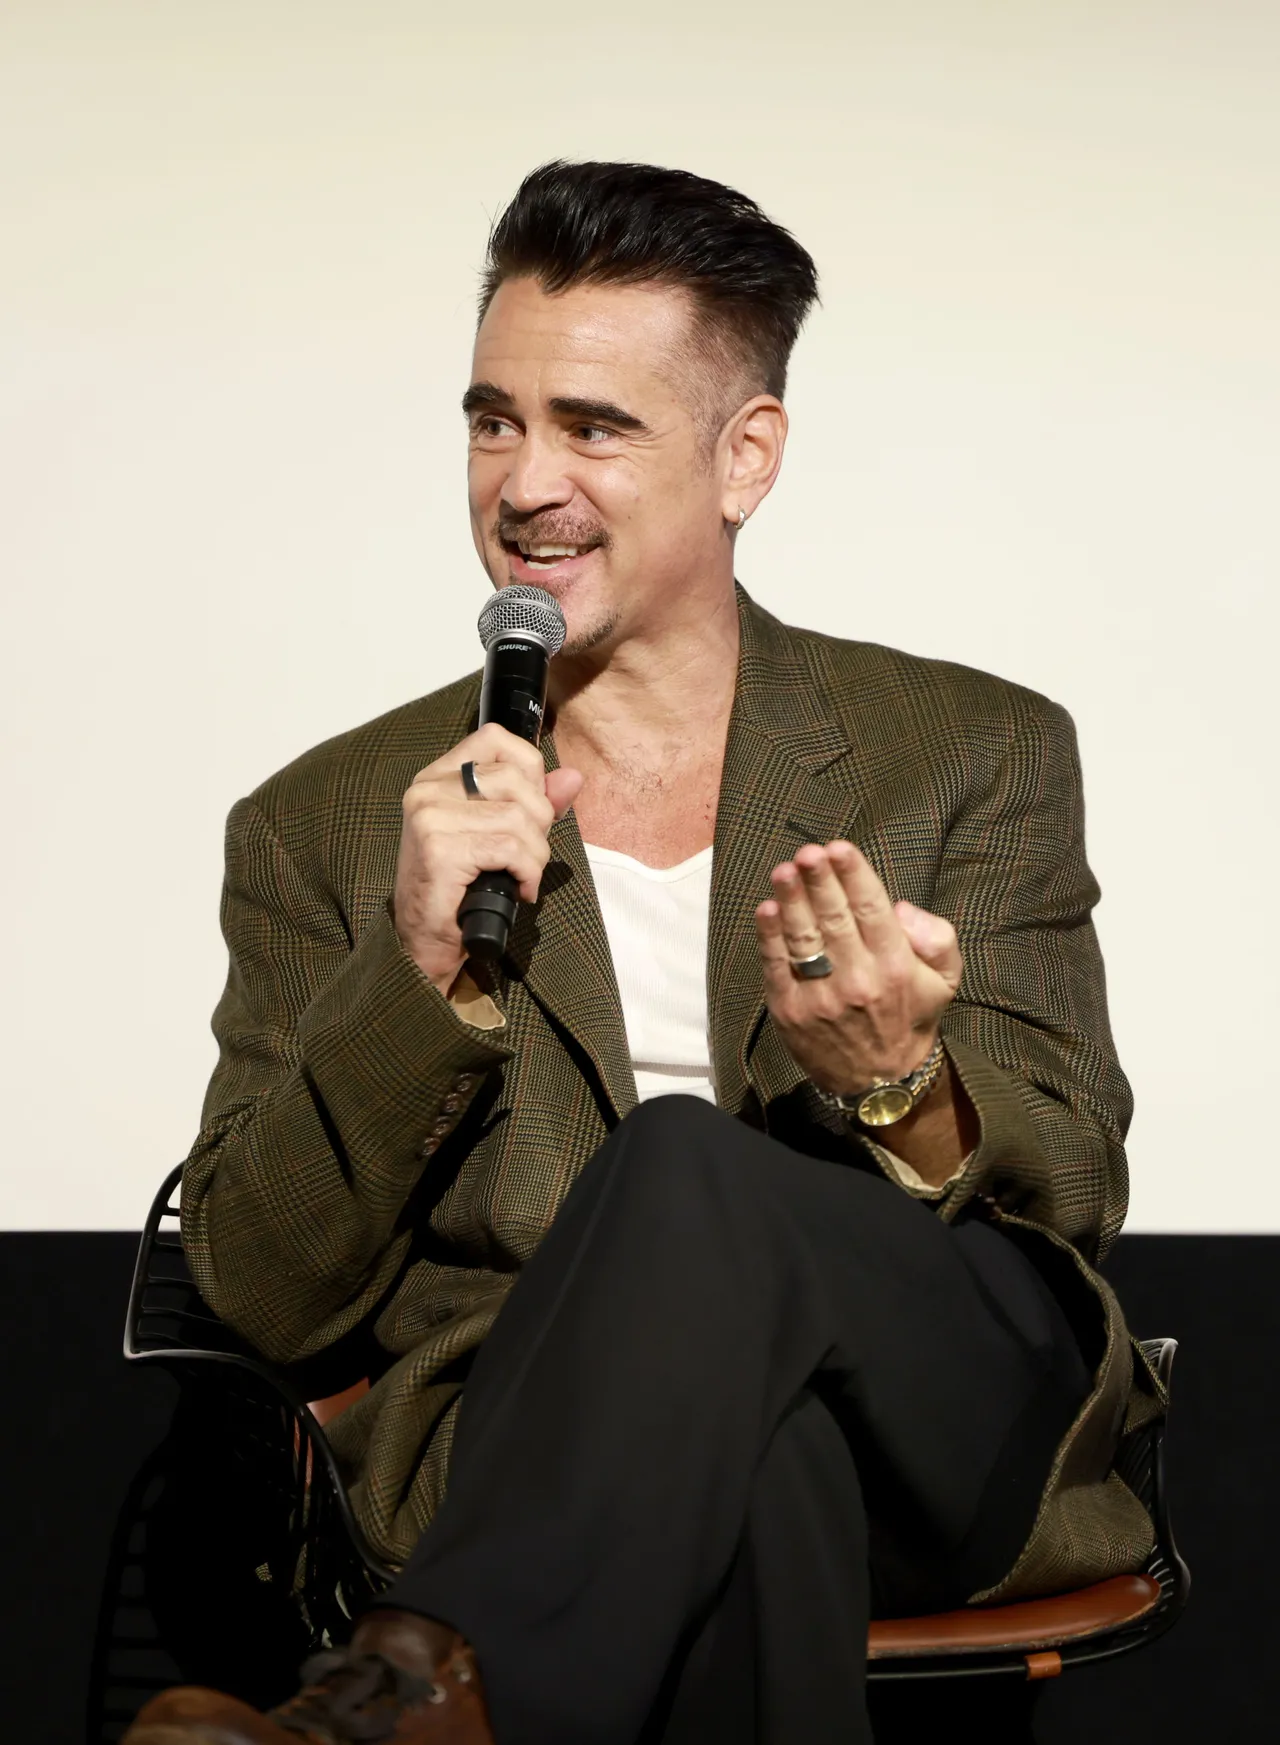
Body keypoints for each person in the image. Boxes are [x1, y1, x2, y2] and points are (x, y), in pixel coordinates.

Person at [125, 161, 1161, 1745]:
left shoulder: (967, 751)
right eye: (493, 421)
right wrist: (419, 972)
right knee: (759, 1468)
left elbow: (1073, 1191)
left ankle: (395, 1698)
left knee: (682, 1166)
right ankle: (409, 1700)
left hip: (949, 1418)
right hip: (550, 1457)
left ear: (747, 457)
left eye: (592, 428)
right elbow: (259, 1293)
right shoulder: (326, 821)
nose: (523, 482)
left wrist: (900, 1085)